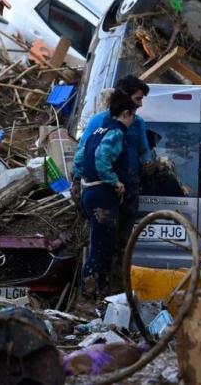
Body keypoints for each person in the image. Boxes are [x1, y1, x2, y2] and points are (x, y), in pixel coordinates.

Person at [72, 76, 152, 274]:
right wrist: (78, 179)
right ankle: (94, 289)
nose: (140, 104)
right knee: (101, 242)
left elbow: (144, 151)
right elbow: (85, 151)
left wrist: (151, 165)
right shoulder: (99, 122)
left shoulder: (138, 123)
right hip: (106, 188)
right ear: (123, 97)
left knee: (122, 242)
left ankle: (116, 287)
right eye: (137, 99)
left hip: (129, 187)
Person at [72, 90, 137, 297]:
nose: (133, 120)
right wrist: (114, 181)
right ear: (126, 113)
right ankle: (92, 297)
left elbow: (80, 158)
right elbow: (102, 157)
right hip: (103, 196)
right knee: (102, 250)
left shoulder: (96, 131)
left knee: (96, 245)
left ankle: (93, 294)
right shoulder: (116, 133)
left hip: (89, 193)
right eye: (133, 115)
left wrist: (83, 178)